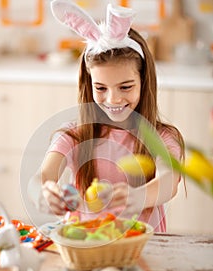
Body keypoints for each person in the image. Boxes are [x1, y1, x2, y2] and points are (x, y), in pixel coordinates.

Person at [28, 0, 185, 232]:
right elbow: (43, 175)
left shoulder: (163, 137)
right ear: (89, 84)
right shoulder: (75, 135)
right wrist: (43, 192)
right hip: (85, 251)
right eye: (101, 88)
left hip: (145, 251)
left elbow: (168, 182)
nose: (112, 100)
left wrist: (136, 196)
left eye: (125, 87)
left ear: (144, 82)